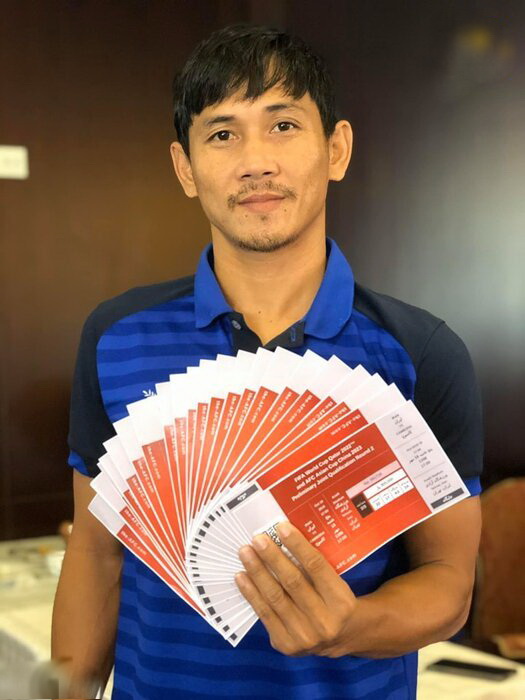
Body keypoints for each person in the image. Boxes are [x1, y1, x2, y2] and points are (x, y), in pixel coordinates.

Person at [52, 23, 483, 700]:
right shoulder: (116, 337)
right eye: (222, 133)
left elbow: (449, 584)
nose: (255, 161)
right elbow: (96, 557)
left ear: (335, 149)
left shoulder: (420, 353)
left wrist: (352, 625)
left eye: (283, 125)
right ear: (185, 168)